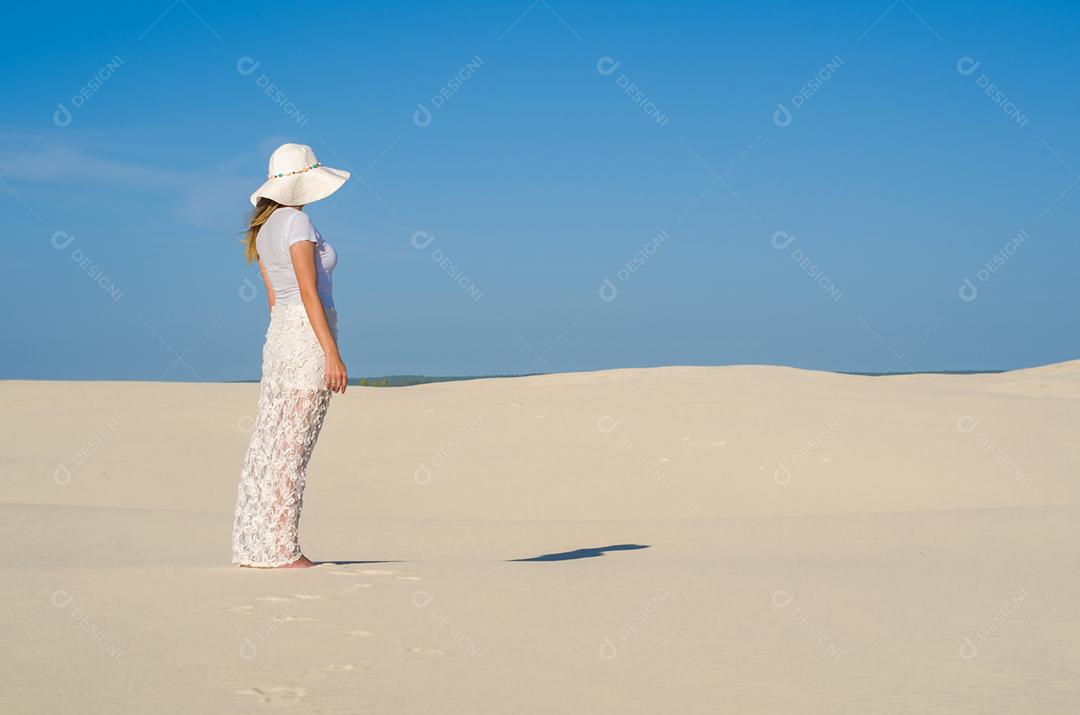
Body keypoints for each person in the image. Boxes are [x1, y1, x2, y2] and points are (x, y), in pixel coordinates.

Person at [231, 143, 351, 568]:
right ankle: (283, 549)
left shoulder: (263, 230)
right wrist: (331, 353)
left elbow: (273, 300)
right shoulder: (298, 223)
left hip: (281, 338)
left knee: (271, 444)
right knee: (292, 449)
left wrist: (289, 341)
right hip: (305, 339)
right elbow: (307, 291)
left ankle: (256, 545)